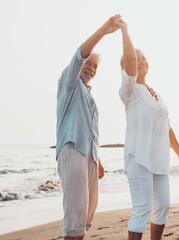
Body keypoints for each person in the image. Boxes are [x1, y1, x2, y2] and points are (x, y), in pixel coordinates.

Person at [118, 20, 179, 240]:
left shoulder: (154, 92)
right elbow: (129, 57)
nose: (141, 61)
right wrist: (124, 30)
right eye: (137, 59)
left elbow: (166, 126)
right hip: (139, 158)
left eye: (144, 59)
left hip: (159, 159)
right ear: (128, 67)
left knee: (163, 206)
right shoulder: (130, 90)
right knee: (141, 209)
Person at [56, 15, 122, 240]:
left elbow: (90, 132)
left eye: (95, 66)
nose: (91, 68)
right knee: (74, 220)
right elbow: (79, 55)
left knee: (84, 218)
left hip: (90, 157)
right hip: (73, 151)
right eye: (88, 63)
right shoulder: (69, 83)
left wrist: (98, 159)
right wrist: (104, 30)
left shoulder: (88, 94)